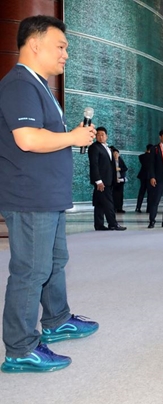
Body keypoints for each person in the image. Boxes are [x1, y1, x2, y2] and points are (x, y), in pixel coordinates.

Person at [0, 15, 99, 373]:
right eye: (61, 46)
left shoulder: (38, 85)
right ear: (35, 44)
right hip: (30, 198)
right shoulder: (19, 86)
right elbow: (27, 139)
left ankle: (56, 321)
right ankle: (20, 348)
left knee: (53, 264)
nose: (66, 55)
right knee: (30, 270)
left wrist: (71, 136)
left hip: (46, 196)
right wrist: (73, 137)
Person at [88, 126, 126, 231]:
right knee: (109, 203)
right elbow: (94, 165)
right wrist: (98, 181)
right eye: (98, 135)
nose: (100, 137)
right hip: (102, 182)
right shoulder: (94, 147)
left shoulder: (108, 148)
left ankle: (99, 225)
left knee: (99, 203)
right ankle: (113, 223)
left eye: (102, 135)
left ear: (106, 136)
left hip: (109, 180)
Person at [135, 143, 153, 213]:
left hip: (143, 175)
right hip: (150, 176)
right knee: (150, 193)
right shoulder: (153, 157)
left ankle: (138, 207)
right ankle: (148, 208)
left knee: (141, 192)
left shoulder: (142, 156)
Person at [111, 146, 128, 213]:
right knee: (114, 194)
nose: (116, 155)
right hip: (114, 180)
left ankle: (119, 208)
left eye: (117, 154)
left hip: (121, 180)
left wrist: (120, 169)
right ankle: (114, 208)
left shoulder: (120, 160)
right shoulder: (110, 161)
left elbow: (125, 168)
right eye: (114, 154)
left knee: (120, 195)